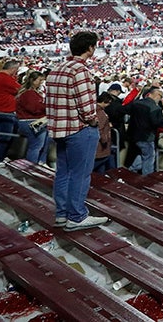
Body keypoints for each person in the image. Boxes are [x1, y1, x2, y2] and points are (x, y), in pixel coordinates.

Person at [43, 30, 108, 230]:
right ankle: (77, 216)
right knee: (81, 174)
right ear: (90, 48)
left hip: (59, 129)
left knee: (63, 172)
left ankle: (62, 215)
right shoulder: (80, 71)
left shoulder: (57, 68)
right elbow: (87, 108)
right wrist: (94, 123)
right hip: (78, 130)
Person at [126, 85, 163, 173]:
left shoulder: (136, 103)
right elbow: (156, 123)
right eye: (161, 97)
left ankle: (132, 170)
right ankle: (147, 178)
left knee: (144, 154)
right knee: (149, 157)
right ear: (157, 95)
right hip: (147, 136)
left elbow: (125, 110)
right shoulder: (155, 108)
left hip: (133, 134)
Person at [15, 70, 49, 165]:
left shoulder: (32, 92)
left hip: (32, 121)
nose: (41, 83)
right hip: (31, 122)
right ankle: (31, 167)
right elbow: (34, 109)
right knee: (36, 146)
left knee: (40, 145)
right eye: (39, 80)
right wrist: (47, 106)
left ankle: (40, 162)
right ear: (32, 80)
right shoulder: (29, 93)